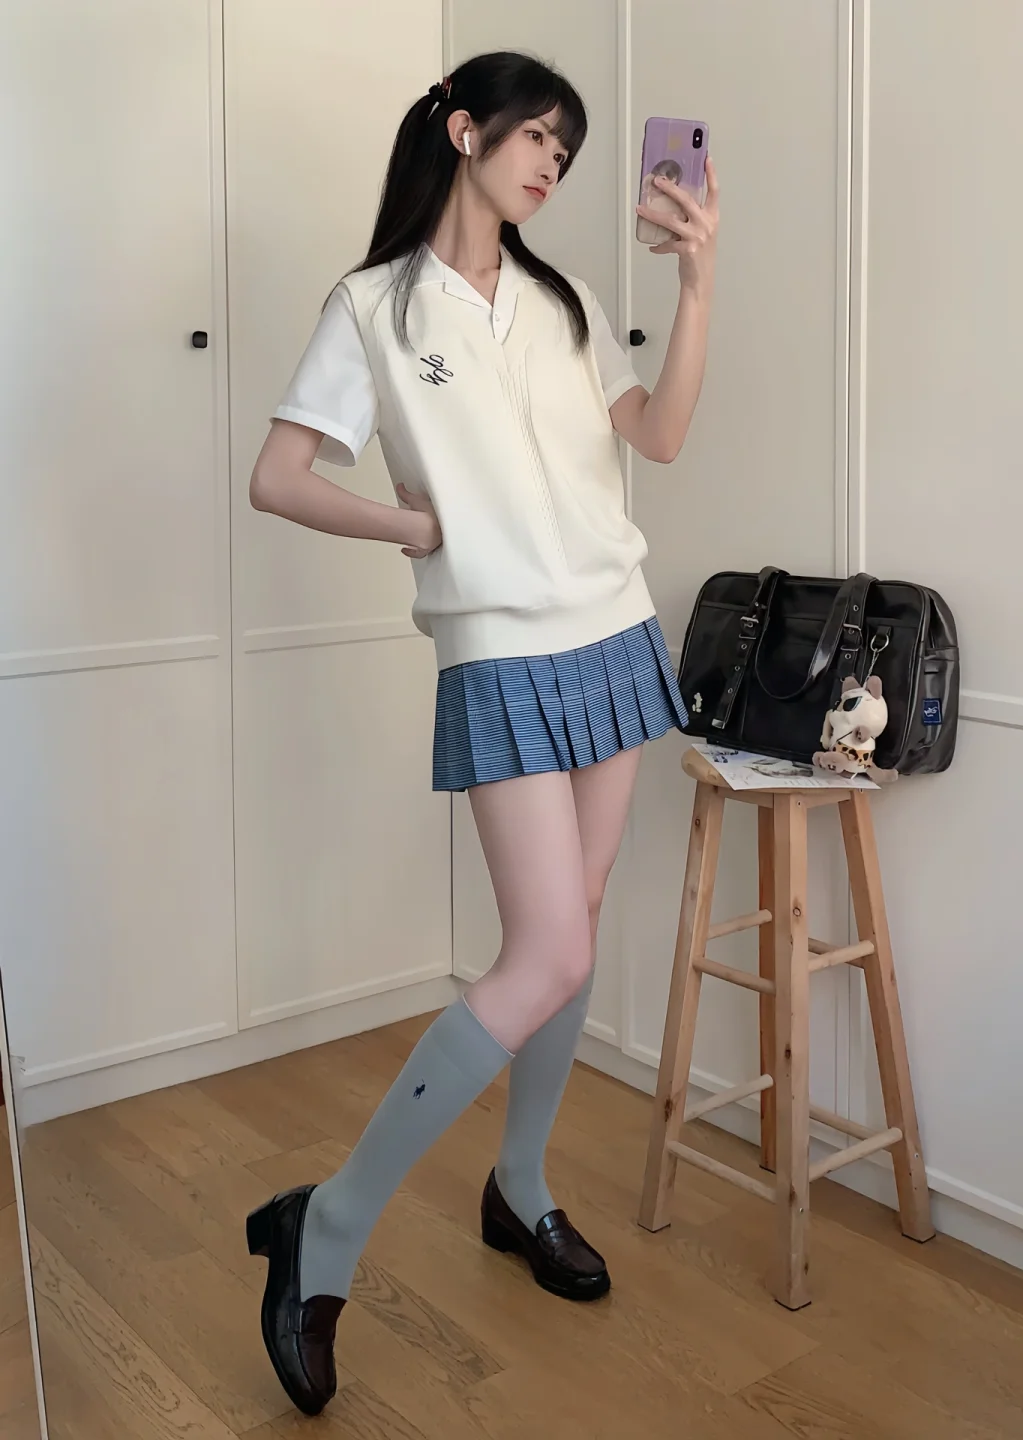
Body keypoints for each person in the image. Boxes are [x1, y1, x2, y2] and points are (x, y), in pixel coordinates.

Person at [244, 50, 718, 1417]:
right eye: (536, 138)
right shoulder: (374, 307)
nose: (552, 164)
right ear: (465, 131)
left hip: (615, 634)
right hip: (502, 651)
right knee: (548, 949)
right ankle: (326, 1226)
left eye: (568, 151)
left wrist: (697, 283)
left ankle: (519, 1186)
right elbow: (280, 475)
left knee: (574, 927)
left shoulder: (564, 303)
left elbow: (660, 437)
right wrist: (409, 524)